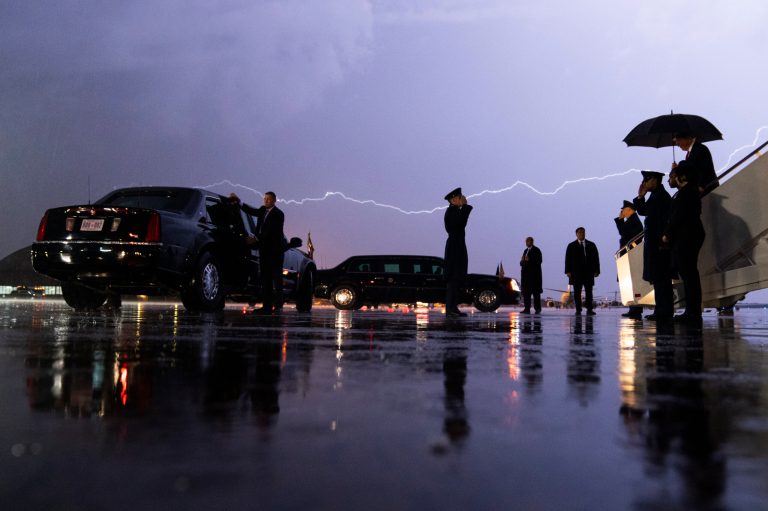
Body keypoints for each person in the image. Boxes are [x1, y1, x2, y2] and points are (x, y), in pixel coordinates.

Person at [229, 191, 286, 314]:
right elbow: (250, 211)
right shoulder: (262, 210)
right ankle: (266, 307)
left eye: (269, 199)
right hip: (264, 250)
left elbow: (271, 230)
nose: (266, 201)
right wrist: (239, 202)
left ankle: (278, 306)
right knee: (265, 279)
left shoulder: (278, 214)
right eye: (265, 199)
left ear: (274, 200)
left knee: (276, 280)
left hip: (275, 252)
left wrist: (256, 238)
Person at [663, 161, 705, 321]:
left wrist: (667, 234)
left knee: (689, 274)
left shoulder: (687, 193)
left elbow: (678, 216)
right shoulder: (689, 192)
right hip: (689, 235)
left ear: (682, 177)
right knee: (689, 274)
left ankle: (693, 312)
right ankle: (692, 310)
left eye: (673, 176)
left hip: (687, 236)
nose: (670, 180)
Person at [633, 171, 673, 321]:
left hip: (659, 244)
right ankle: (661, 309)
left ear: (655, 180)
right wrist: (640, 197)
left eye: (646, 180)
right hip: (655, 243)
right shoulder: (656, 195)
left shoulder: (660, 196)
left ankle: (664, 311)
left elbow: (648, 213)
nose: (644, 183)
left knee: (662, 278)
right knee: (658, 278)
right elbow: (644, 211)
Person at [443, 187, 472, 317]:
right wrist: (465, 207)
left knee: (457, 279)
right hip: (454, 248)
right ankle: (451, 309)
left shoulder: (454, 211)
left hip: (457, 247)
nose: (463, 199)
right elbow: (461, 223)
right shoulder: (452, 212)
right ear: (454, 199)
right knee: (453, 280)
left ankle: (453, 307)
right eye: (461, 198)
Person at [615, 200, 644, 318]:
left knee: (634, 282)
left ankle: (636, 310)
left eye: (624, 210)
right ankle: (633, 308)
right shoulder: (631, 221)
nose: (622, 212)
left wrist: (620, 220)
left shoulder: (634, 221)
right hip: (629, 255)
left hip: (632, 255)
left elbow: (624, 234)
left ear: (629, 209)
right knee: (630, 283)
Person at [564, 227, 600, 316]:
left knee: (589, 292)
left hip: (588, 272)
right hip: (576, 273)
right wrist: (567, 271)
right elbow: (567, 259)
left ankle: (589, 309)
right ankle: (578, 309)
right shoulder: (571, 246)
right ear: (576, 234)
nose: (581, 234)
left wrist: (597, 270)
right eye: (579, 232)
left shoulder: (591, 245)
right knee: (577, 292)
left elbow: (596, 258)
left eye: (583, 232)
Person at [520, 236, 543, 314]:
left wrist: (529, 260)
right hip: (526, 277)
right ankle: (527, 308)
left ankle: (537, 309)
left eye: (529, 241)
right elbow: (522, 263)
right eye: (526, 241)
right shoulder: (525, 251)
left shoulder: (536, 250)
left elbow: (539, 261)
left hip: (534, 276)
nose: (527, 243)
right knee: (526, 293)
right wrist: (522, 261)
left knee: (536, 293)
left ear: (532, 242)